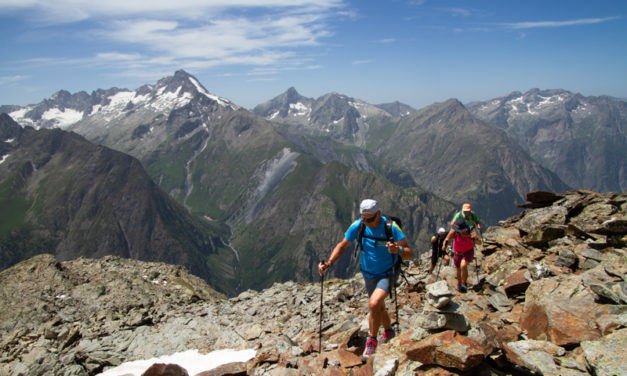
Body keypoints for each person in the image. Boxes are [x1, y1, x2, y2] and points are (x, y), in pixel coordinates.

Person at [318, 199, 412, 362]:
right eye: (364, 219)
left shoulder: (391, 228)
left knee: (374, 304)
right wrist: (329, 263)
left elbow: (409, 252)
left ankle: (372, 340)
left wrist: (399, 249)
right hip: (368, 274)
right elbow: (342, 245)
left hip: (388, 273)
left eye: (370, 219)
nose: (367, 223)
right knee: (379, 307)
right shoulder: (358, 226)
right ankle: (389, 331)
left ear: (379, 214)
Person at [442, 218, 481, 292]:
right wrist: (444, 245)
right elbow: (447, 239)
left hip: (468, 252)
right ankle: (459, 284)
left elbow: (479, 243)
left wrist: (475, 238)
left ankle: (464, 283)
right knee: (458, 269)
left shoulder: (471, 232)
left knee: (463, 265)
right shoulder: (454, 232)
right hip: (457, 252)